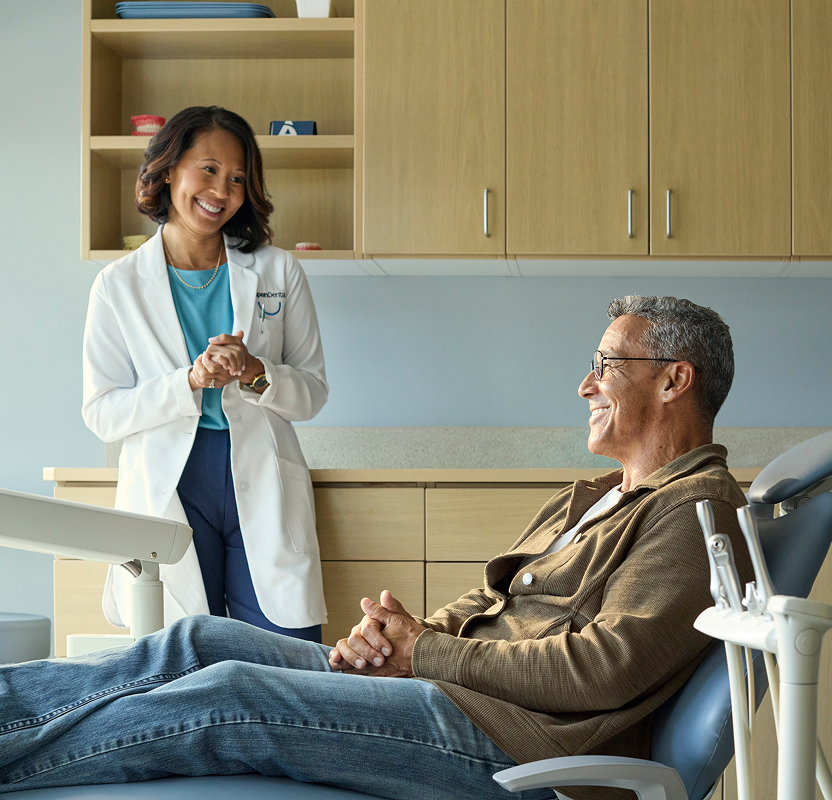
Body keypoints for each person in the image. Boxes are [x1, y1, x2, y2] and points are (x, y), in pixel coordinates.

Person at [4, 296, 751, 800]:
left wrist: (422, 654)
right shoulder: (595, 494)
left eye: (608, 365)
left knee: (233, 693)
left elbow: (601, 670)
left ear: (673, 381)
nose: (586, 383)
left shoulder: (695, 513)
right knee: (201, 638)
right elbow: (491, 604)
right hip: (453, 691)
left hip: (512, 742)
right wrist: (395, 637)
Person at [81, 106, 329, 642]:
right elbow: (103, 412)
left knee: (289, 661)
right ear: (169, 168)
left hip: (260, 476)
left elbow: (311, 392)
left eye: (238, 177)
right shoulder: (118, 285)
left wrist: (255, 371)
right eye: (209, 169)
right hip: (173, 482)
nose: (223, 189)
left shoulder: (277, 270)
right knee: (183, 659)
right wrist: (187, 382)